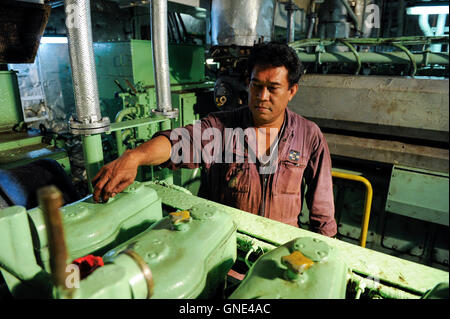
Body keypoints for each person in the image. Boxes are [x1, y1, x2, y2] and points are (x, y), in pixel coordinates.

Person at [93, 42, 337, 237]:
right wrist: (135, 156)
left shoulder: (309, 135)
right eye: (256, 85)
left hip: (280, 250)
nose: (262, 96)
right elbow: (178, 142)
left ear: (291, 91)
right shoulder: (221, 127)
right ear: (248, 84)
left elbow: (322, 210)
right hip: (224, 241)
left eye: (273, 88)